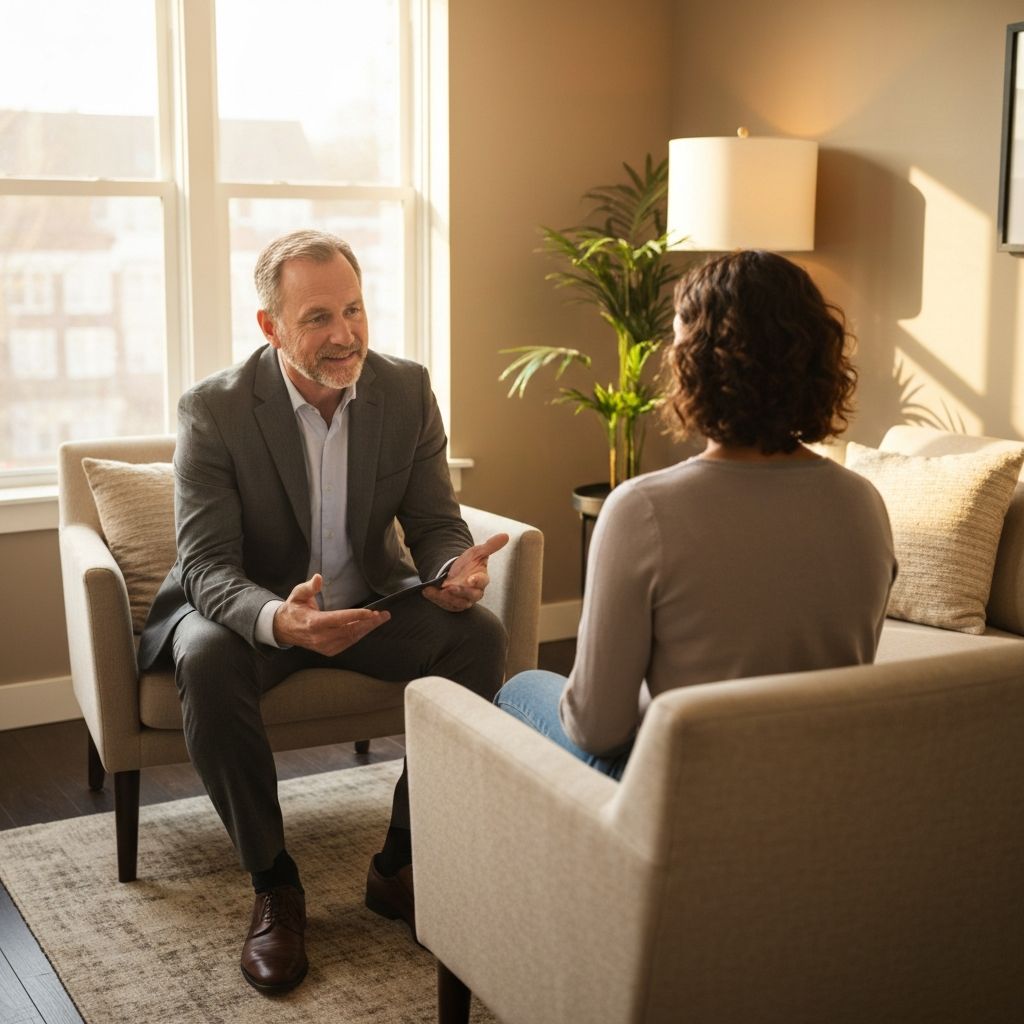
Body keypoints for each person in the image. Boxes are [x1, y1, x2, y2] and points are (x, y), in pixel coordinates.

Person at [137, 229, 509, 994]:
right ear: (270, 326)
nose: (344, 334)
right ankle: (274, 882)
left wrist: (451, 570)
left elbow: (434, 521)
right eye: (317, 318)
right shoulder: (215, 409)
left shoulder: (406, 389)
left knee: (478, 636)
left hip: (369, 603)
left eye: (354, 309)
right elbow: (206, 565)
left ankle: (399, 863)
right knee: (203, 657)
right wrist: (282, 619)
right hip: (257, 613)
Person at [495, 249, 897, 778]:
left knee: (521, 689)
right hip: (821, 784)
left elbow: (597, 729)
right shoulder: (864, 503)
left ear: (694, 364)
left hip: (689, 793)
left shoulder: (641, 510)